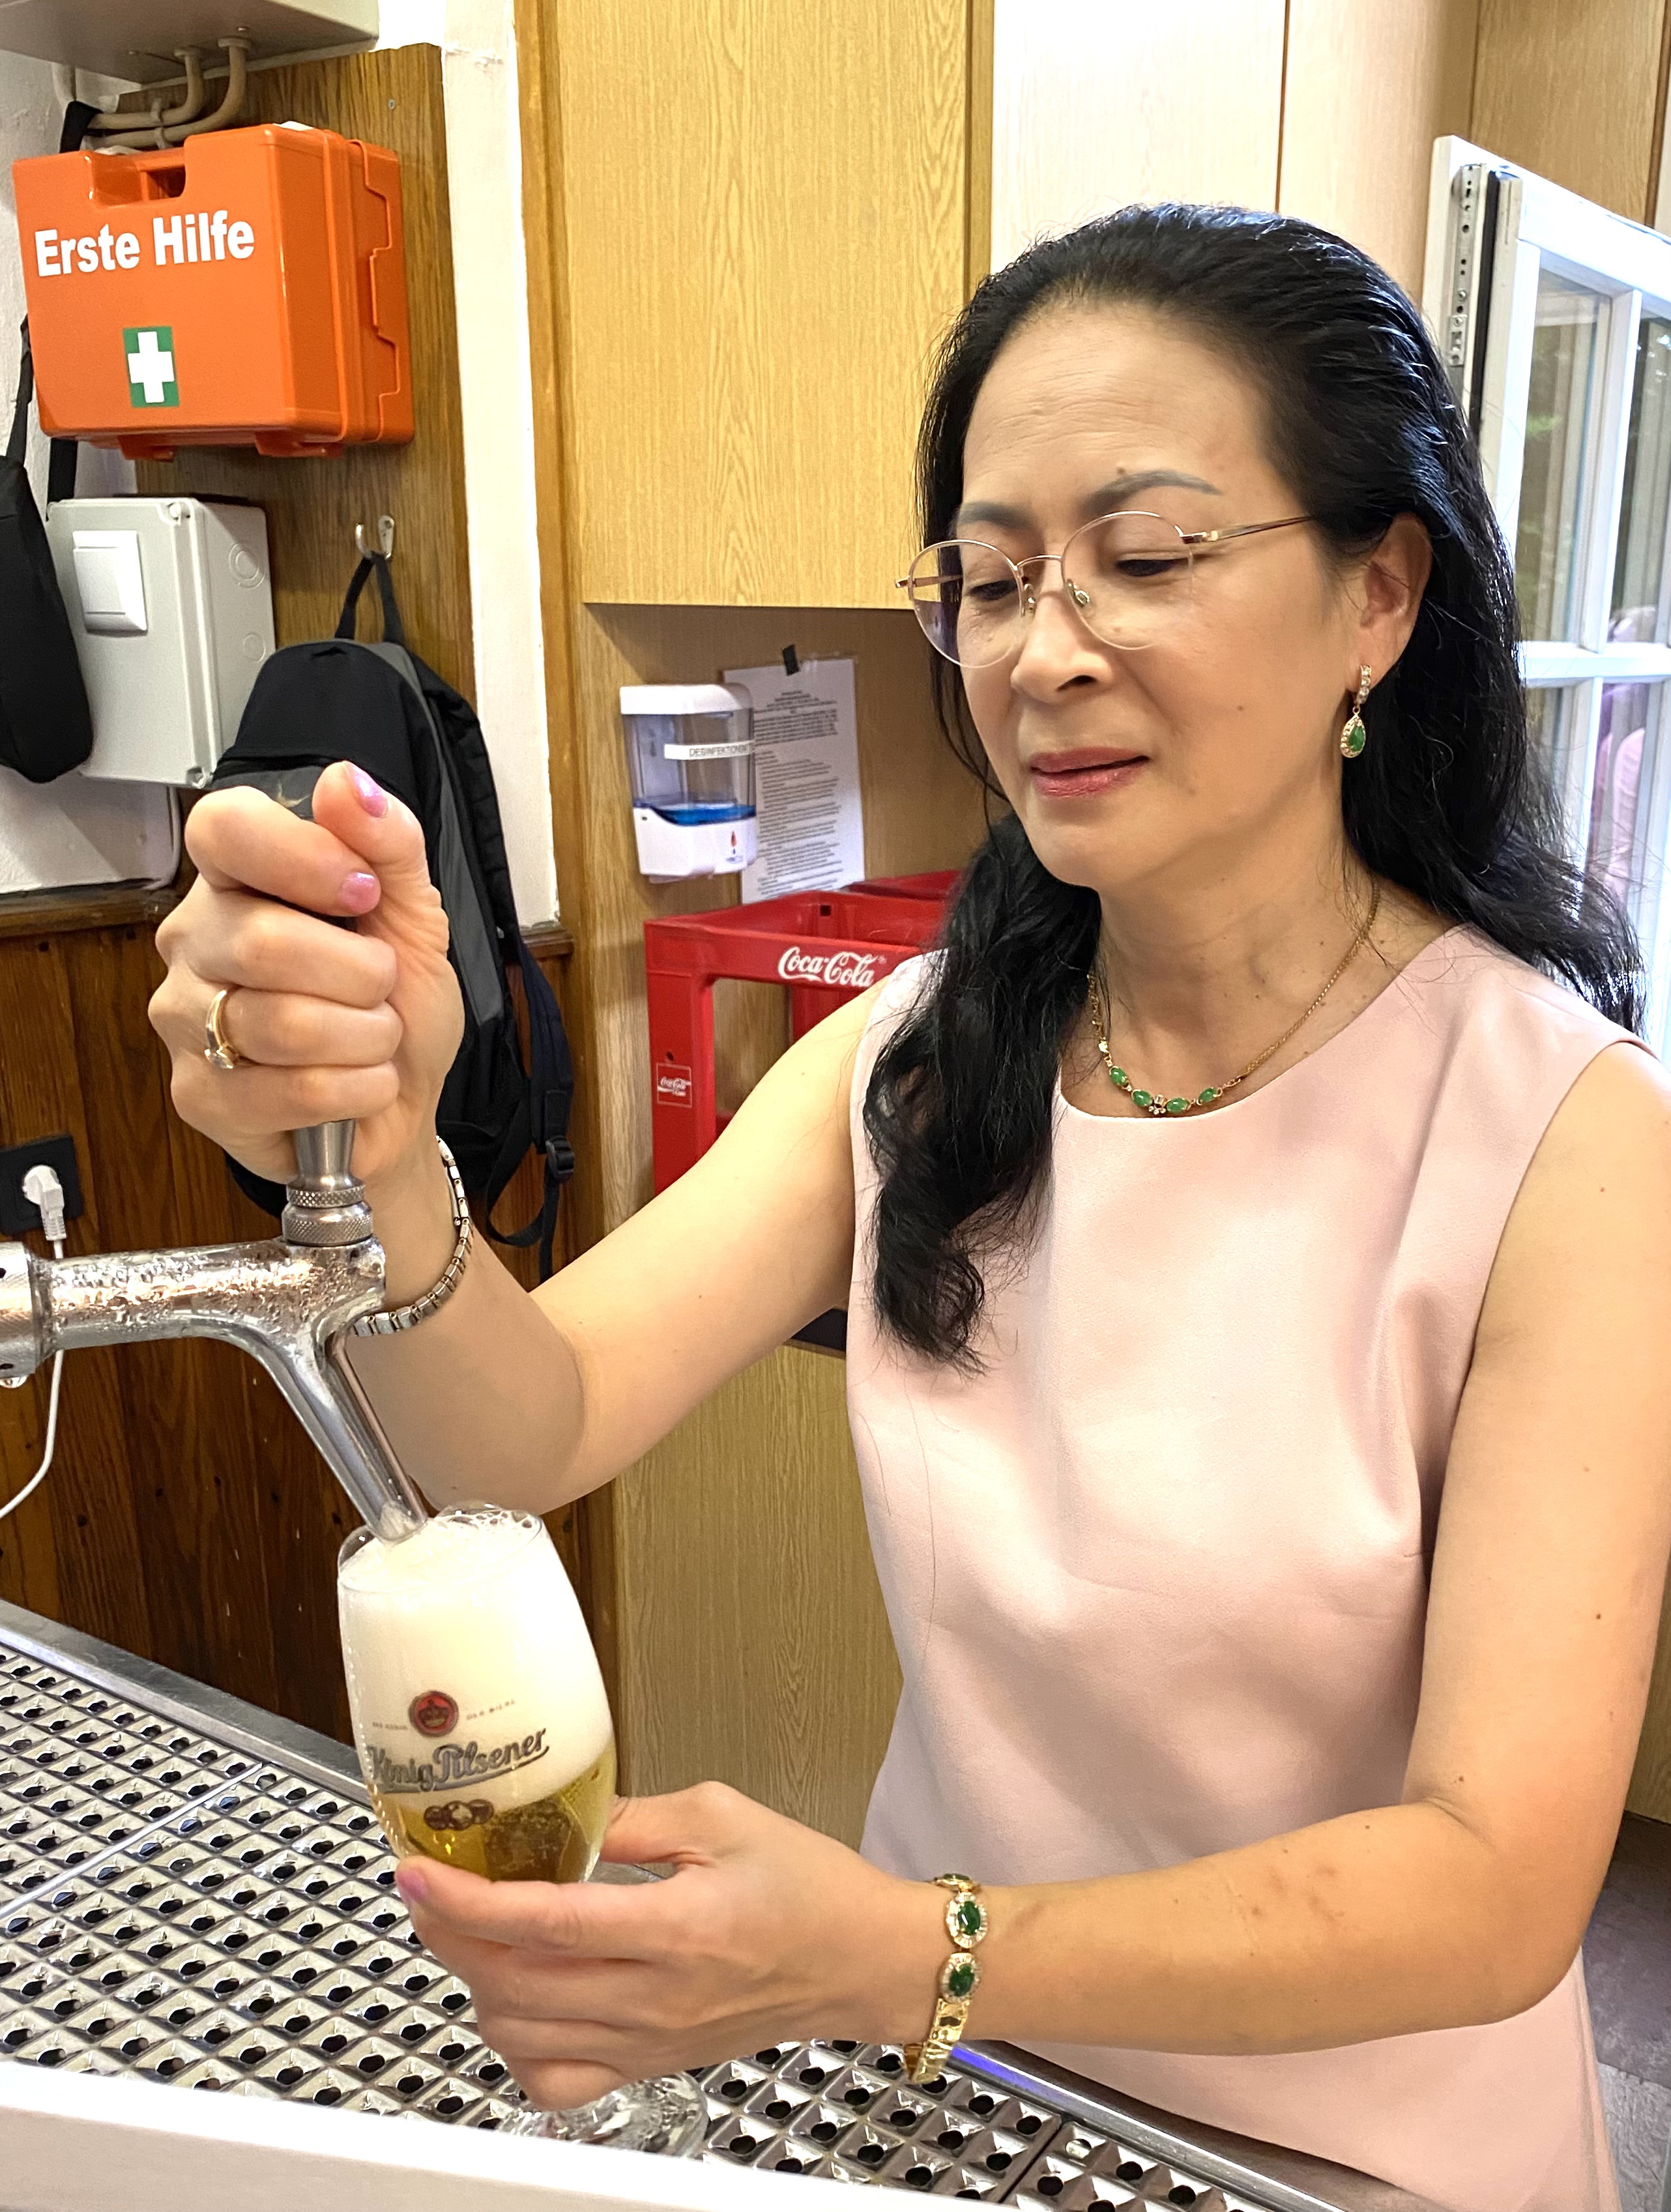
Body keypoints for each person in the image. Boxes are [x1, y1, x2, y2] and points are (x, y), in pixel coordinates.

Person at [149, 205, 1671, 2212]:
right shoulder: (921, 1056)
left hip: (1347, 2158)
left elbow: (1491, 1887)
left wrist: (898, 1950)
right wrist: (383, 1142)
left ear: (1375, 595)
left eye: (1146, 557)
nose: (1044, 649)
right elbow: (528, 1427)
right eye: (990, 577)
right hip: (963, 2104)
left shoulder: (1563, 1135)